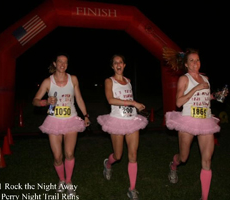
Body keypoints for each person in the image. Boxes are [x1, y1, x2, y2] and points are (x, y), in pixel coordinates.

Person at [163, 47, 228, 200]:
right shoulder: (184, 79)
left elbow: (205, 97)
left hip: (205, 120)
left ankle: (204, 197)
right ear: (186, 64)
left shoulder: (205, 79)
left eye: (197, 60)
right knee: (184, 158)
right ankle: (174, 164)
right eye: (191, 61)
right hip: (188, 120)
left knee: (207, 160)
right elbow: (179, 102)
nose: (195, 63)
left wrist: (215, 95)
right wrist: (196, 88)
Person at [32, 52, 90, 196]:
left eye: (65, 62)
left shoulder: (73, 79)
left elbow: (79, 99)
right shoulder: (47, 81)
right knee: (58, 157)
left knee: (69, 153)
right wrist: (45, 102)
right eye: (60, 62)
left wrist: (86, 115)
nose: (62, 65)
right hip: (54, 121)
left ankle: (69, 181)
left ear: (67, 65)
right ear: (54, 63)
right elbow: (34, 100)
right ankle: (61, 180)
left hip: (71, 120)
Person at [97, 54, 148, 200]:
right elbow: (110, 99)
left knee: (133, 155)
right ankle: (108, 163)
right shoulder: (109, 81)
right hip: (117, 121)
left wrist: (137, 105)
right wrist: (133, 103)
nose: (118, 65)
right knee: (118, 156)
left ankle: (132, 189)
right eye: (115, 63)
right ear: (112, 66)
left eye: (121, 62)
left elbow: (129, 99)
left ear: (124, 65)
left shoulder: (129, 81)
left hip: (132, 120)